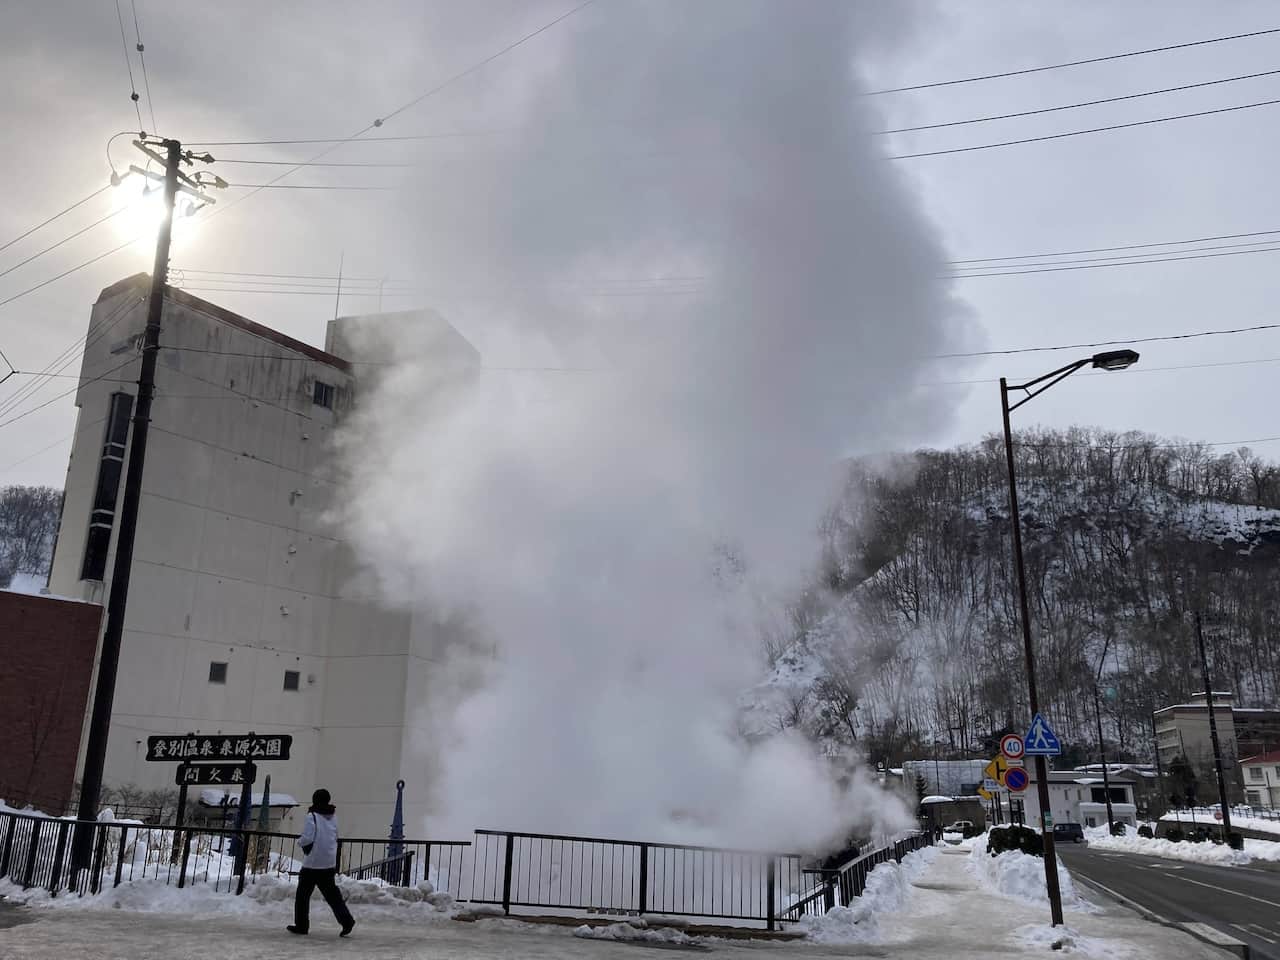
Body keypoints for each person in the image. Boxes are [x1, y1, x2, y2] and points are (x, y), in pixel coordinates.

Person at [288, 788, 355, 937]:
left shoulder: (312, 816)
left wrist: (299, 842)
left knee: (303, 895)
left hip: (312, 863)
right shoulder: (333, 816)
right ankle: (347, 921)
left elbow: (307, 837)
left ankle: (302, 926)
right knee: (332, 895)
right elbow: (335, 836)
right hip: (328, 862)